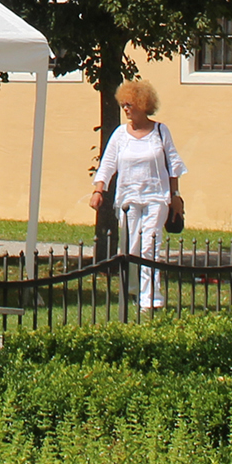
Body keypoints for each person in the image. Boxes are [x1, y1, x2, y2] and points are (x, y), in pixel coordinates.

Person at [88, 77, 186, 310]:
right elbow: (108, 164)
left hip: (156, 197)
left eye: (130, 104)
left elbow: (173, 165)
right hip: (128, 199)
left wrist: (175, 196)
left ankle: (151, 299)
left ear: (143, 104)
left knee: (150, 247)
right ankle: (134, 290)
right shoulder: (120, 135)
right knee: (131, 247)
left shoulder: (161, 132)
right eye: (124, 104)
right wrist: (98, 190)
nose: (126, 109)